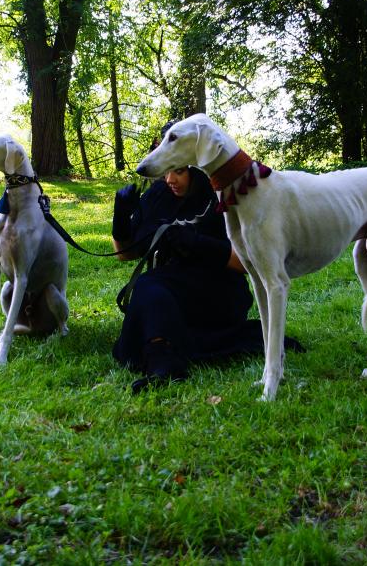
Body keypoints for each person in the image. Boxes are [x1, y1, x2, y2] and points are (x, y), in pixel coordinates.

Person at [111, 123, 300, 393]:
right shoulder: (158, 196)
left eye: (178, 171)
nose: (170, 180)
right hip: (170, 288)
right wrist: (120, 222)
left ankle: (165, 359)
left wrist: (200, 244)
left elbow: (249, 264)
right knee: (149, 288)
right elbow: (126, 254)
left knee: (150, 288)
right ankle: (162, 359)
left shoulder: (229, 195)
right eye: (166, 171)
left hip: (218, 290)